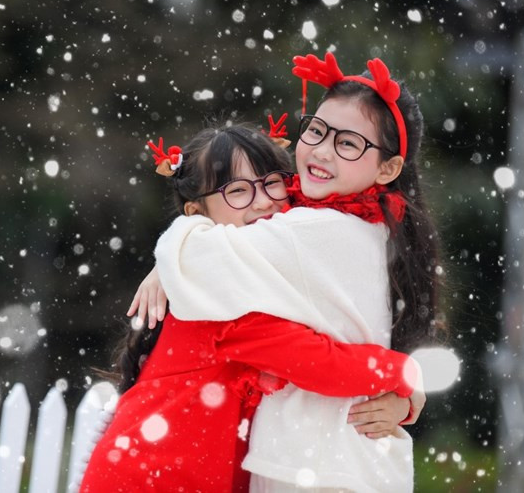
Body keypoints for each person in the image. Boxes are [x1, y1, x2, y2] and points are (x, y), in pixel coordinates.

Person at [147, 52, 441, 492]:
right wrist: (402, 379)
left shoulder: (315, 231)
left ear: (388, 168)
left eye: (348, 144)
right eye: (317, 130)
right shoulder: (373, 228)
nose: (321, 151)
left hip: (316, 463)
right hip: (349, 460)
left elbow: (194, 263)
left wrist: (171, 252)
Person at [78, 122, 423, 492]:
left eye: (272, 183)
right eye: (238, 190)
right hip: (151, 478)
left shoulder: (254, 275)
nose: (262, 201)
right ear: (197, 211)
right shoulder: (221, 294)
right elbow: (318, 362)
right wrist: (405, 372)